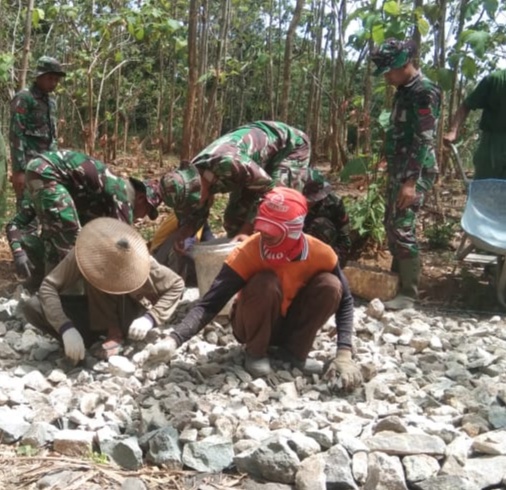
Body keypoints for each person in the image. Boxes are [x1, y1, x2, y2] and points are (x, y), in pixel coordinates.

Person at [135, 187, 362, 391]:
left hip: (290, 322)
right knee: (265, 282)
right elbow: (210, 302)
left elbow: (345, 301)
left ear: (293, 231)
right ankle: (256, 352)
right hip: (252, 322)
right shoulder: (249, 251)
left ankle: (294, 352)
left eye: (272, 234)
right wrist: (174, 340)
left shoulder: (321, 254)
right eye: (261, 230)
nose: (264, 238)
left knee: (331, 286)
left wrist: (343, 353)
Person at [20, 217, 185, 361]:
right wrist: (65, 328)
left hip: (128, 314)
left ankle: (115, 334)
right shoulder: (84, 253)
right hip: (92, 311)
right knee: (33, 306)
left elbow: (176, 285)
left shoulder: (139, 259)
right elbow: (49, 285)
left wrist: (150, 318)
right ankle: (88, 340)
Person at [159, 121, 311, 251]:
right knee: (233, 221)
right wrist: (186, 232)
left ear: (200, 187)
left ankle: (285, 256)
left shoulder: (228, 163)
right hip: (253, 166)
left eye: (194, 201)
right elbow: (196, 211)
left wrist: (247, 231)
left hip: (289, 147)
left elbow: (269, 190)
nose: (194, 205)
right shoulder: (196, 177)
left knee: (278, 206)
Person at [371, 38, 441, 310]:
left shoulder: (425, 91)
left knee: (402, 225)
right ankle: (396, 285)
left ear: (404, 64)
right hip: (401, 168)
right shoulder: (404, 89)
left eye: (390, 71)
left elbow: (423, 139)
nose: (387, 77)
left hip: (416, 171)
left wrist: (411, 182)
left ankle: (409, 295)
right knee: (392, 223)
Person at [23, 150, 160, 273]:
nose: (143, 217)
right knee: (72, 242)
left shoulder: (109, 193)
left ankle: (45, 283)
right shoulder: (122, 196)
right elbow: (124, 246)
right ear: (141, 199)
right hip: (49, 172)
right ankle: (67, 294)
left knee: (56, 235)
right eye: (147, 211)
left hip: (39, 169)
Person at [10, 56, 66, 202]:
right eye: (50, 78)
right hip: (29, 165)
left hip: (48, 165)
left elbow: (52, 136)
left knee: (48, 210)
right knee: (27, 212)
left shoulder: (51, 102)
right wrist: (19, 171)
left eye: (56, 79)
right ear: (39, 77)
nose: (53, 83)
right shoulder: (24, 98)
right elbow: (16, 134)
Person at [444, 69, 506, 180]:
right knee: (484, 188)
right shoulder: (494, 80)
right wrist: (453, 131)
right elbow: (466, 105)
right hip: (491, 144)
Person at [302, 168, 351, 265]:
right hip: (298, 245)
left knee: (321, 224)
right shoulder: (291, 202)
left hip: (324, 246)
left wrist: (336, 261)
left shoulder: (334, 203)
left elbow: (344, 237)